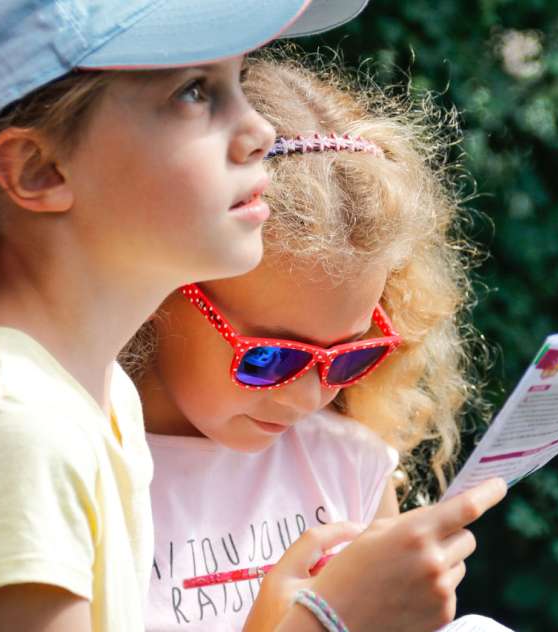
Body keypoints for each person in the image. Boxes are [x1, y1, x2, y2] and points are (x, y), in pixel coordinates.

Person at [0, 2, 373, 631]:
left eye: (240, 81)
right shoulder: (15, 429)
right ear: (38, 170)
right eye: (194, 92)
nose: (259, 129)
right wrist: (320, 622)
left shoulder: (100, 398)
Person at [124, 53, 510, 632]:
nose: (309, 399)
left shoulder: (346, 464)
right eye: (271, 357)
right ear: (160, 288)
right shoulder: (85, 463)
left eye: (351, 356)